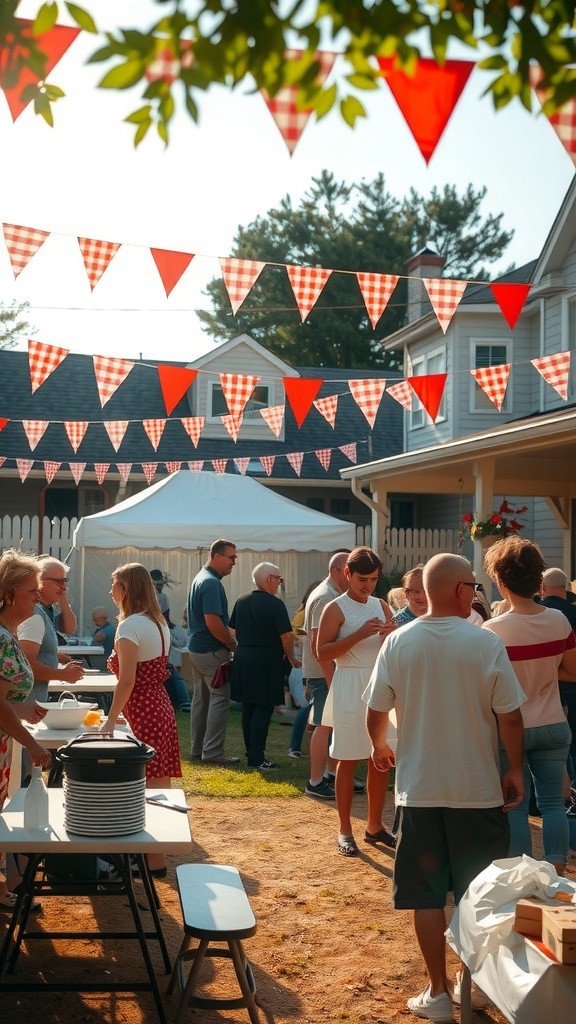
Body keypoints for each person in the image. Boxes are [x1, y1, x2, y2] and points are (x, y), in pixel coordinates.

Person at [364, 552, 526, 1022]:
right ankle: (467, 985)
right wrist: (515, 768)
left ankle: (438, 991)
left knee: (426, 895)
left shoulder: (398, 642)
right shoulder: (484, 643)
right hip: (476, 790)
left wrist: (379, 744)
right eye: (472, 585)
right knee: (477, 895)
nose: (476, 592)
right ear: (458, 590)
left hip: (419, 789)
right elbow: (510, 715)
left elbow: (376, 706)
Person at [482, 538, 576, 874]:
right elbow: (572, 670)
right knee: (553, 804)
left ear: (501, 582)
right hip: (553, 723)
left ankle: (521, 875)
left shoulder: (492, 631)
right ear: (538, 578)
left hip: (512, 727)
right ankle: (556, 868)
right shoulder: (559, 622)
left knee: (516, 806)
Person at [102, 563, 182, 876]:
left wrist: (110, 719)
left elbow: (127, 681)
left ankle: (147, 857)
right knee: (158, 784)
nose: (110, 592)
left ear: (126, 589)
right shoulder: (157, 621)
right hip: (159, 705)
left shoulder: (130, 625)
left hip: (145, 709)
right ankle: (155, 859)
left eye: (114, 585)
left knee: (138, 786)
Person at [317, 546, 396, 856]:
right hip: (349, 682)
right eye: (363, 578)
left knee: (381, 757)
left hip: (378, 684)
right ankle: (345, 829)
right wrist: (361, 633)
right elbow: (322, 652)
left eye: (374, 579)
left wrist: (392, 634)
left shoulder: (381, 605)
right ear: (347, 574)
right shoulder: (335, 608)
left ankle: (374, 826)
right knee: (347, 758)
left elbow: (390, 646)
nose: (368, 585)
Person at [0, 549, 52, 911]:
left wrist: (20, 707)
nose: (38, 596)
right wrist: (33, 744)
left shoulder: (8, 634)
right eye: (32, 591)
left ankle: (2, 893)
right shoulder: (3, 638)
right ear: (8, 594)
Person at [230, 563, 299, 770]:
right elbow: (286, 636)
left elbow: (231, 629)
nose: (279, 583)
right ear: (269, 579)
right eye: (279, 579)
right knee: (264, 706)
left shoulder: (241, 601)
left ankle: (252, 752)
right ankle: (257, 757)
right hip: (266, 658)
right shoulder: (275, 604)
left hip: (243, 656)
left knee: (249, 706)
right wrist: (291, 657)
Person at [301, 552, 350, 799]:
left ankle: (330, 775)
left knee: (331, 723)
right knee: (323, 724)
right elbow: (316, 644)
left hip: (327, 671)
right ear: (339, 570)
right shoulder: (325, 596)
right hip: (324, 672)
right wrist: (331, 679)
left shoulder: (329, 593)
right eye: (350, 570)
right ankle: (315, 781)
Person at [187, 539, 240, 766]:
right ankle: (212, 752)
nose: (234, 563)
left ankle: (198, 748)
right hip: (210, 650)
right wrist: (230, 643)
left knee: (202, 700)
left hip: (197, 649)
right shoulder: (211, 583)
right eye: (231, 557)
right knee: (220, 699)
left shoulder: (202, 578)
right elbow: (212, 621)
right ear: (216, 556)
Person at [17, 556, 85, 701]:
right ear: (38, 580)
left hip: (30, 702)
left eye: (65, 581)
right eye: (58, 581)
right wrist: (62, 674)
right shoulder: (34, 616)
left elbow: (70, 628)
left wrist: (64, 602)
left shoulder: (43, 610)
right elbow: (23, 666)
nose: (63, 587)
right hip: (26, 703)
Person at [540, 567, 576, 786]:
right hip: (573, 682)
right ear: (564, 588)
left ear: (542, 588)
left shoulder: (537, 613)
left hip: (544, 682)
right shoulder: (573, 613)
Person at [150, 569, 190, 713]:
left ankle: (184, 701)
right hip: (160, 631)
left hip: (159, 633)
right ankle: (181, 701)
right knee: (170, 674)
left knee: (171, 673)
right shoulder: (161, 597)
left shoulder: (157, 598)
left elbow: (162, 615)